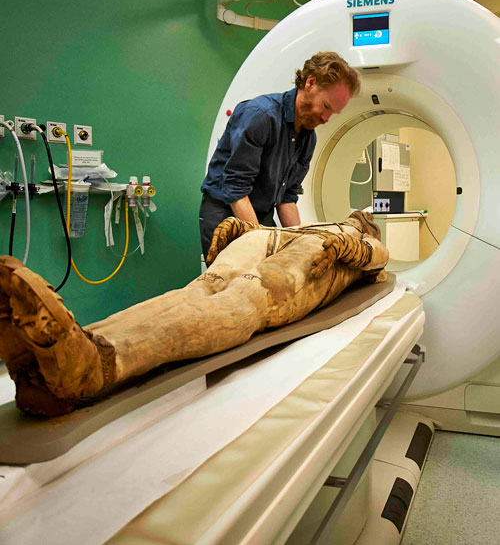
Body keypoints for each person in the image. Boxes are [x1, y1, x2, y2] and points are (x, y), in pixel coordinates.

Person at [0, 211, 387, 417]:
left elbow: (380, 259)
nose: (356, 215)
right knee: (198, 289)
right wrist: (248, 228)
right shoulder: (327, 221)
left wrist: (352, 246)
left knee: (243, 303)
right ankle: (70, 347)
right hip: (272, 239)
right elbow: (280, 230)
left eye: (361, 218)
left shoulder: (361, 238)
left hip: (315, 258)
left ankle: (94, 367)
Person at [200, 52, 361, 261]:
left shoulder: (308, 138)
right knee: (234, 287)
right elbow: (235, 188)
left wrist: (302, 246)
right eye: (326, 106)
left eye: (333, 114)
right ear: (310, 83)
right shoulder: (261, 116)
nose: (326, 118)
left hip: (262, 215)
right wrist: (261, 244)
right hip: (226, 214)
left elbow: (287, 198)